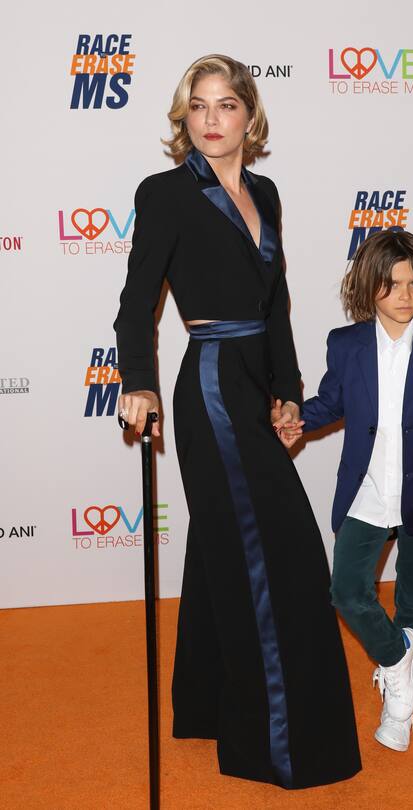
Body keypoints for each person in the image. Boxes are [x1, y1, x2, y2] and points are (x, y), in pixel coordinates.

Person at [113, 54, 360, 789]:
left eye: (226, 106)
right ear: (182, 118)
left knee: (226, 536)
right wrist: (136, 382)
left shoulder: (266, 191)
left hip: (254, 380)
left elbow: (274, 303)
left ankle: (205, 703)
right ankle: (277, 742)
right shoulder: (165, 193)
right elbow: (136, 302)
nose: (213, 120)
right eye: (199, 107)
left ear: (249, 116)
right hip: (212, 384)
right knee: (276, 550)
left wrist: (287, 391)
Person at [274, 229, 413, 753]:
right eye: (391, 284)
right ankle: (397, 663)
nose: (405, 294)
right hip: (365, 493)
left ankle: (402, 703)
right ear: (369, 289)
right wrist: (298, 419)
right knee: (346, 591)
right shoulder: (346, 345)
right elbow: (331, 402)